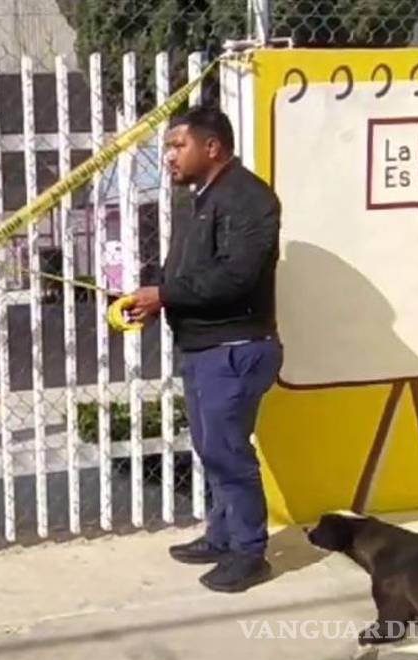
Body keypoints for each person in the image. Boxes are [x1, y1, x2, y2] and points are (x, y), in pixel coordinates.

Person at [125, 106, 283, 594]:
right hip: (204, 347)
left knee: (228, 453)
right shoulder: (201, 198)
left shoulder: (249, 199)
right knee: (212, 450)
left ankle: (249, 553)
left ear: (212, 147)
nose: (169, 157)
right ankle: (222, 537)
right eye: (168, 147)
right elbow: (190, 272)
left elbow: (236, 276)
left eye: (178, 146)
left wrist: (164, 295)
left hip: (234, 349)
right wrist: (157, 300)